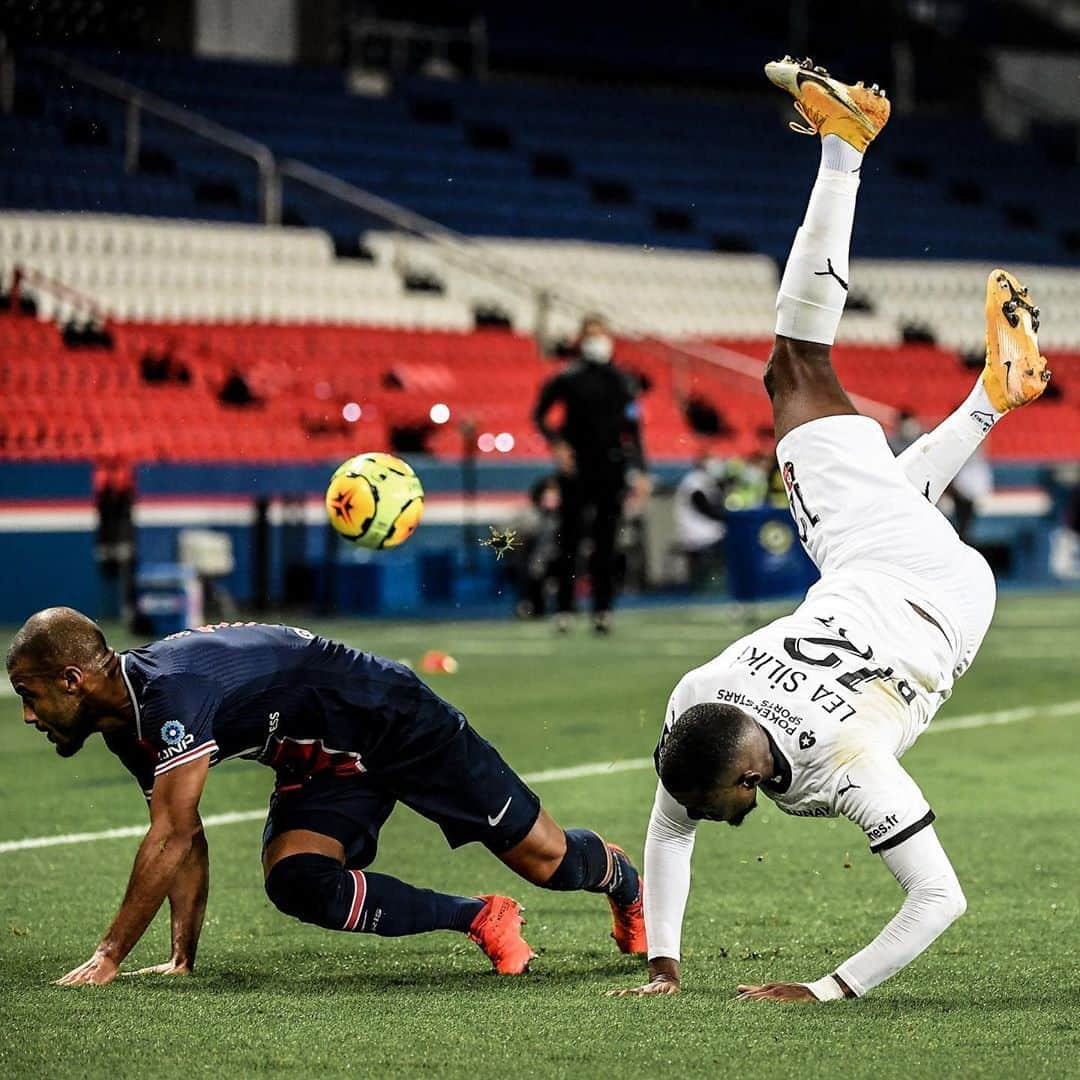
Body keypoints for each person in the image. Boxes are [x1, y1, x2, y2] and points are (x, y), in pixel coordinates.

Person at [611, 56, 1050, 1003]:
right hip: (901, 579)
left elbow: (667, 830)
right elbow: (937, 899)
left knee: (807, 388)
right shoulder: (720, 704)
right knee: (793, 368)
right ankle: (844, 151)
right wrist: (824, 989)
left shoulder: (799, 746)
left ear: (748, 763)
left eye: (717, 802)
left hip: (935, 598)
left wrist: (685, 969)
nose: (716, 817)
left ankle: (986, 393)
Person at [7, 615, 645, 987]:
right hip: (324, 759)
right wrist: (181, 956)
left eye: (29, 695)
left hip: (396, 718)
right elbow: (187, 834)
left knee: (548, 862)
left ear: (73, 679)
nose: (29, 715)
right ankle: (479, 916)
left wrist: (108, 956)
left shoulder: (171, 694)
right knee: (297, 880)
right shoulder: (126, 720)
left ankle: (621, 878)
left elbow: (170, 835)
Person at [533, 314, 651, 634]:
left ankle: (602, 610)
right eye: (590, 335)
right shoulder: (567, 378)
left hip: (612, 467)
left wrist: (640, 469)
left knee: (606, 542)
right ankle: (565, 609)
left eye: (600, 334)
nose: (596, 341)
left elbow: (633, 427)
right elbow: (540, 415)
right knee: (569, 539)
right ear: (580, 339)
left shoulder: (622, 380)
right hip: (576, 470)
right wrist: (558, 446)